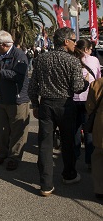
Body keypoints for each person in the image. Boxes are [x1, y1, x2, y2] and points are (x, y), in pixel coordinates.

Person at [28, 27, 88, 197]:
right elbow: (77, 88)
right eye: (74, 40)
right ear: (66, 41)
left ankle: (46, 184)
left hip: (46, 105)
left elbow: (33, 87)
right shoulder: (72, 61)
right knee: (67, 142)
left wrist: (35, 105)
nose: (75, 43)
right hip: (65, 105)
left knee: (45, 144)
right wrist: (85, 84)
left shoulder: (41, 59)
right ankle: (69, 175)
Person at [0, 31, 30, 171]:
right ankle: (3, 153)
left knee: (18, 131)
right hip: (1, 100)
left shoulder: (19, 56)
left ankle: (14, 157)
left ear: (4, 45)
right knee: (1, 129)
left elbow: (18, 76)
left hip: (17, 101)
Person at [73, 38, 101, 170]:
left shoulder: (72, 60)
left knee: (75, 129)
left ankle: (75, 155)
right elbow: (98, 78)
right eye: (90, 49)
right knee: (89, 129)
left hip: (73, 99)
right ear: (86, 49)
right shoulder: (94, 60)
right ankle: (89, 161)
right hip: (89, 100)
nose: (91, 51)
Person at [85, 78, 103, 200]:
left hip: (100, 123)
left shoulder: (96, 83)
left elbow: (90, 106)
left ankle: (99, 189)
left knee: (98, 156)